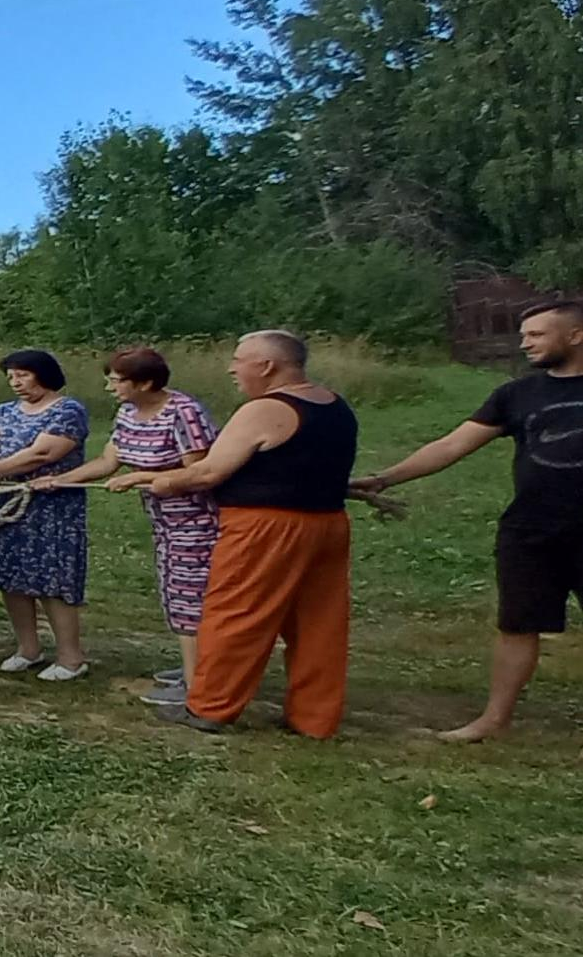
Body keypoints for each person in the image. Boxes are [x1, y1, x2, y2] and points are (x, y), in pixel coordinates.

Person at [354, 299, 583, 742]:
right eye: (523, 335)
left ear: (574, 335)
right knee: (517, 624)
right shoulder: (517, 394)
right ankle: (492, 721)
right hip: (532, 530)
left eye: (536, 335)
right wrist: (385, 479)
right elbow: (451, 445)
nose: (525, 344)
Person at [149, 331, 357, 738]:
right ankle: (314, 718)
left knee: (237, 613)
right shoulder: (335, 404)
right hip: (327, 525)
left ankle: (209, 707)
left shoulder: (264, 409)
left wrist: (162, 482)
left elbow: (208, 472)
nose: (231, 367)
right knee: (317, 623)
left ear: (266, 366)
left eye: (238, 359)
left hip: (265, 527)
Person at [58, 347, 219, 704]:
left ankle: (198, 687)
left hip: (199, 521)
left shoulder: (184, 413)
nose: (110, 387)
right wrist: (60, 480)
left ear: (145, 383)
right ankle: (197, 667)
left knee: (189, 600)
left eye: (117, 380)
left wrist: (138, 478)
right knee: (173, 595)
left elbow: (200, 473)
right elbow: (107, 462)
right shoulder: (127, 412)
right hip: (164, 522)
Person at [0, 349, 92, 680]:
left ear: (44, 373)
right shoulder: (4, 411)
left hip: (50, 509)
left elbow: (42, 453)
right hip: (5, 507)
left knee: (51, 581)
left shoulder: (68, 410)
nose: (15, 382)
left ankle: (71, 658)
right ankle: (28, 649)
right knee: (11, 577)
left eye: (23, 375)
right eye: (11, 376)